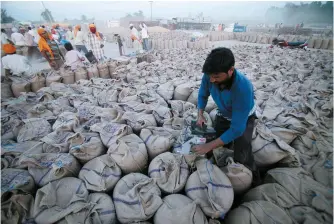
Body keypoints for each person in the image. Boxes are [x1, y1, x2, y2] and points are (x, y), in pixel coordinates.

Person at [193, 47, 260, 186]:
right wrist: (200, 114)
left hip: (244, 117)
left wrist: (208, 146)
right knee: (217, 139)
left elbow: (236, 129)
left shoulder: (243, 88)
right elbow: (203, 94)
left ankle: (254, 181)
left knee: (242, 151)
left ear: (231, 70)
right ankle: (218, 167)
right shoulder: (210, 75)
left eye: (216, 77)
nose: (212, 80)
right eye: (210, 76)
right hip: (224, 113)